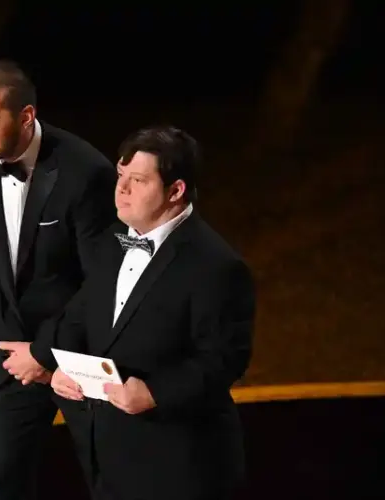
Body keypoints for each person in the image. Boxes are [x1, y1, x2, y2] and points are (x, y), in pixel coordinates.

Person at [48, 125, 256, 500]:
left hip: (180, 469)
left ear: (175, 191)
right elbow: (82, 311)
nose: (121, 189)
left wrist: (155, 393)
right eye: (121, 175)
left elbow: (225, 358)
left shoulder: (216, 267)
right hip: (111, 462)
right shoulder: (114, 239)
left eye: (139, 180)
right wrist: (62, 364)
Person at [0, 59, 117, 500]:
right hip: (14, 354)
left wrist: (45, 354)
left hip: (82, 355)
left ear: (26, 116)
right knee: (1, 484)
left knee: (112, 480)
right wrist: (16, 348)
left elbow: (104, 283)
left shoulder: (86, 174)